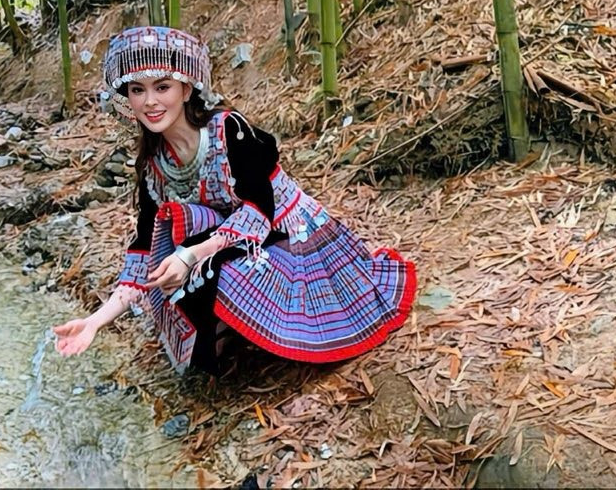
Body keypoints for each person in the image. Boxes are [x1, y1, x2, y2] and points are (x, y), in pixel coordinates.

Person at [54, 25, 416, 375]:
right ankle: (231, 332)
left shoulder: (229, 129)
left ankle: (261, 325)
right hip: (226, 241)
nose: (150, 102)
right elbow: (143, 249)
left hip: (288, 235)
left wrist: (190, 255)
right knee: (178, 265)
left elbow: (259, 209)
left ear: (185, 89)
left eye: (162, 87)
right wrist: (94, 322)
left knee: (208, 270)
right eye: (137, 90)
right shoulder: (154, 164)